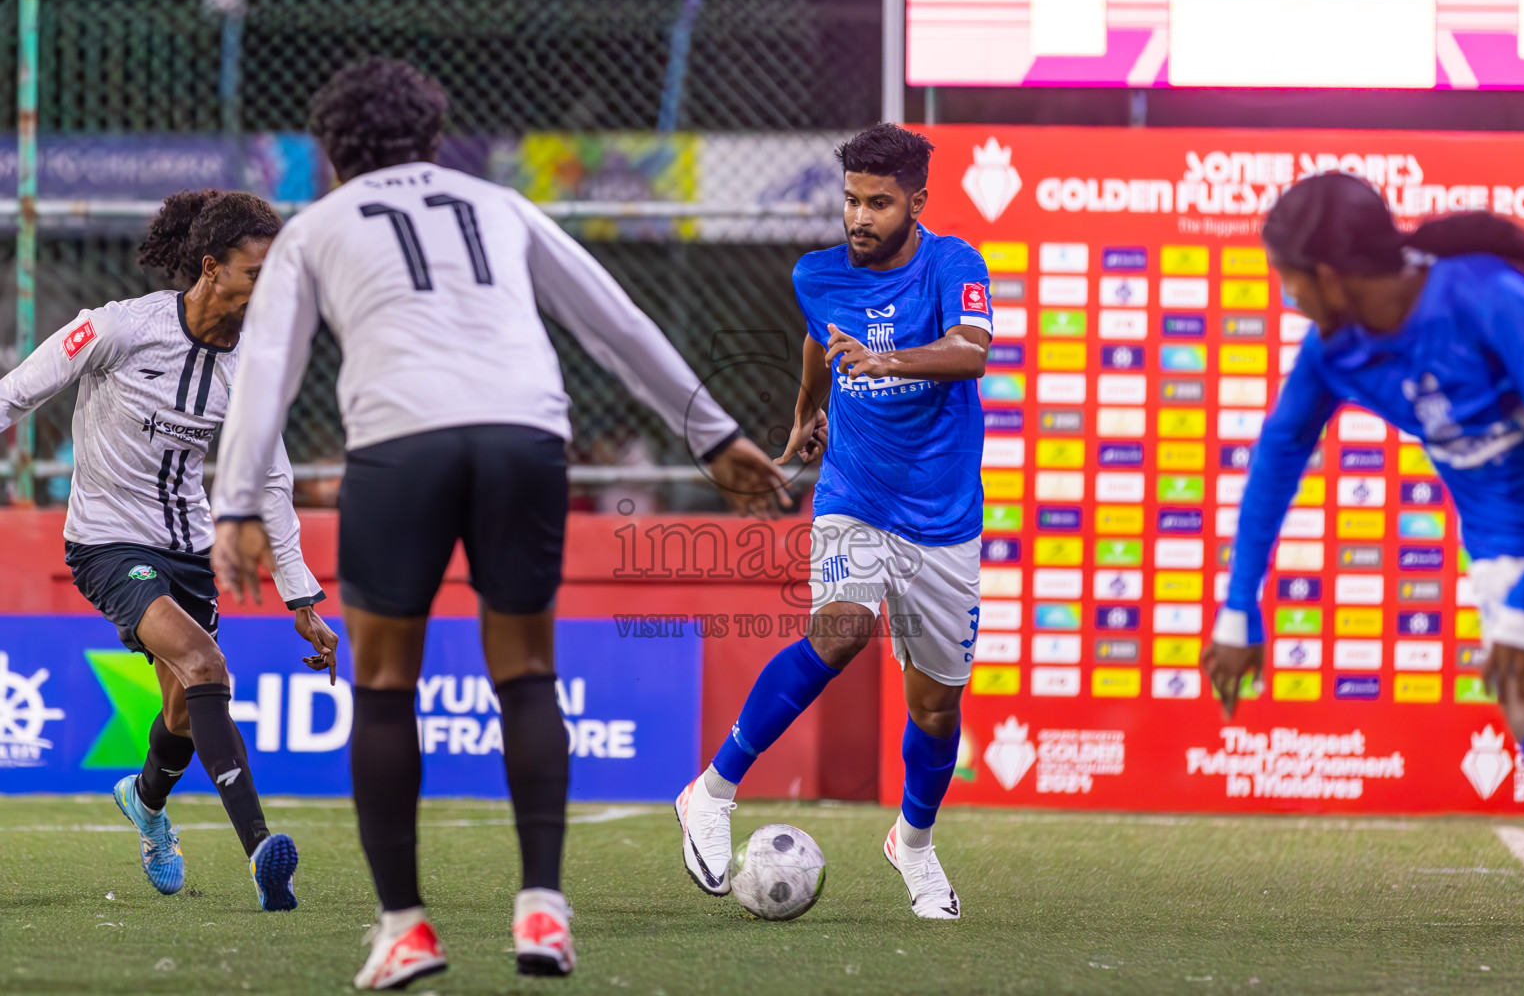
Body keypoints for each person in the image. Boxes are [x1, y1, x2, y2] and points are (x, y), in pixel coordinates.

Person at [206, 58, 789, 988]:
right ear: (434, 137)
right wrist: (712, 434)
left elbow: (270, 365)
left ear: (331, 151)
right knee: (525, 671)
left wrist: (236, 503)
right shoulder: (497, 204)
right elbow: (617, 322)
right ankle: (544, 916)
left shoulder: (314, 227)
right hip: (525, 436)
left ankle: (404, 929)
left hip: (402, 445)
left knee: (387, 682)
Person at [675, 123, 992, 919]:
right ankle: (711, 793)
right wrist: (808, 410)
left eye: (879, 203)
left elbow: (973, 351)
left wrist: (889, 360)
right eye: (851, 200)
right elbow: (822, 342)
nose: (859, 217)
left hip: (944, 517)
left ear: (916, 201)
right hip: (854, 495)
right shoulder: (814, 274)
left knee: (936, 707)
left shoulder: (953, 263)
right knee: (842, 629)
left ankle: (913, 846)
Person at [0, 189, 336, 910]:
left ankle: (147, 803)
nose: (267, 289)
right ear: (211, 268)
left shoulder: (252, 370)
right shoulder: (116, 329)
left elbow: (271, 479)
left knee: (186, 710)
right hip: (108, 542)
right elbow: (15, 395)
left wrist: (302, 596)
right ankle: (263, 857)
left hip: (190, 548)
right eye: (255, 273)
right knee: (205, 661)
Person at [1204, 172, 1524, 758]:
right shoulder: (1333, 351)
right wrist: (1238, 609)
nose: (1288, 296)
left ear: (1328, 277)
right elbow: (1277, 461)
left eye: (1288, 277)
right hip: (1502, 553)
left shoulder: (1486, 296)